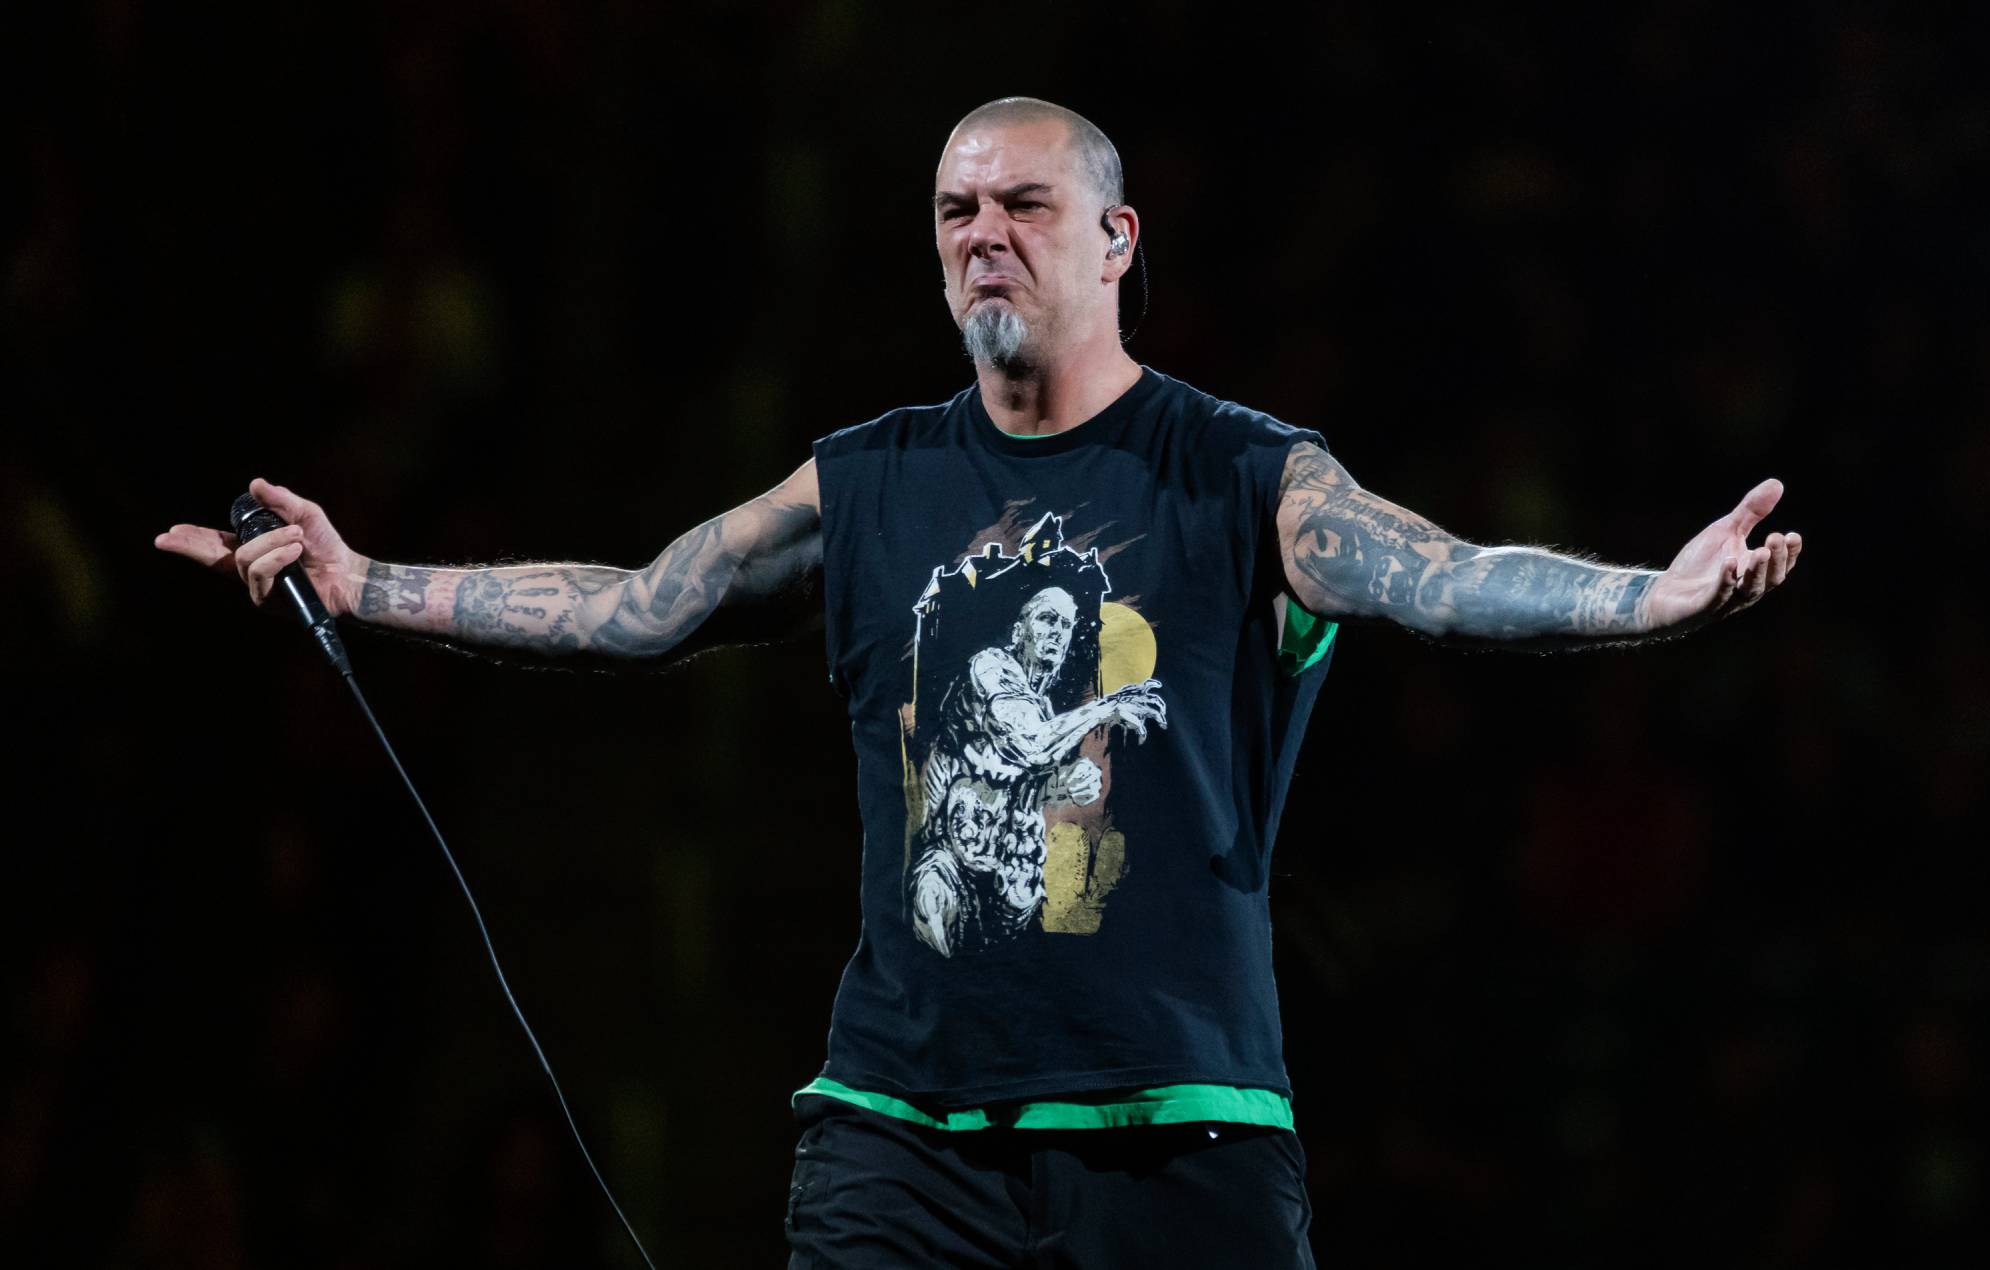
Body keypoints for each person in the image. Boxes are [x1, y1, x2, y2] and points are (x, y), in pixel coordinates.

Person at [157, 96, 1803, 1267]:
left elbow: (1439, 574)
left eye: (1021, 203)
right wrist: (361, 581)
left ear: (1115, 236)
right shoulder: (865, 481)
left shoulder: (1238, 474)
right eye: (956, 209)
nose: (984, 236)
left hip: (1182, 1142)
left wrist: (1649, 597)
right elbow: (644, 600)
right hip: (896, 1141)